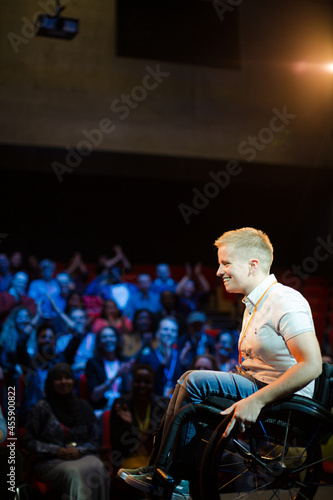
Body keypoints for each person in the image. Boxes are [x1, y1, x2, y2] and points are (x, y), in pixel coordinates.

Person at [119, 227, 322, 497]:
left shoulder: (284, 300)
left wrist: (256, 401)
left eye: (225, 263)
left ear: (253, 265)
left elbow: (311, 365)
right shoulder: (254, 304)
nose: (218, 271)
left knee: (192, 380)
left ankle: (173, 477)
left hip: (284, 401)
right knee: (190, 395)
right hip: (259, 386)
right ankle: (163, 471)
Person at [24, 363, 110, 500]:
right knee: (74, 472)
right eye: (58, 378)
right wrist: (57, 450)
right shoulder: (41, 408)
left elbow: (94, 440)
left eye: (67, 378)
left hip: (81, 455)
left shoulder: (84, 407)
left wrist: (79, 450)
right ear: (51, 382)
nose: (64, 382)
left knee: (98, 467)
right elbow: (30, 442)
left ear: (73, 381)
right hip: (50, 461)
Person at [85, 326, 133, 416]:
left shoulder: (125, 360)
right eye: (104, 337)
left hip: (122, 408)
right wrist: (116, 377)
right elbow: (94, 396)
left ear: (117, 340)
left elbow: (129, 391)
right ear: (99, 342)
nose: (108, 340)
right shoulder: (93, 363)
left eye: (112, 336)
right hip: (101, 409)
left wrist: (126, 374)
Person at [137, 318, 183, 397]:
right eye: (165, 329)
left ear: (176, 335)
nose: (169, 333)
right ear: (157, 333)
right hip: (153, 401)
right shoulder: (147, 358)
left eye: (173, 330)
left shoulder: (180, 357)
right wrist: (163, 364)